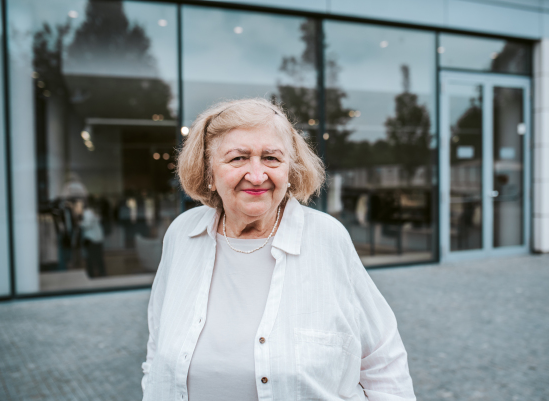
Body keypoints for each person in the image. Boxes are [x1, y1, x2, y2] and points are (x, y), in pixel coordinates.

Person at [141, 98, 416, 401]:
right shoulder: (183, 234)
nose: (257, 176)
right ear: (208, 172)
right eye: (238, 158)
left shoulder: (326, 237)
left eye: (271, 158)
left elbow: (383, 360)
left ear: (290, 169)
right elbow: (157, 346)